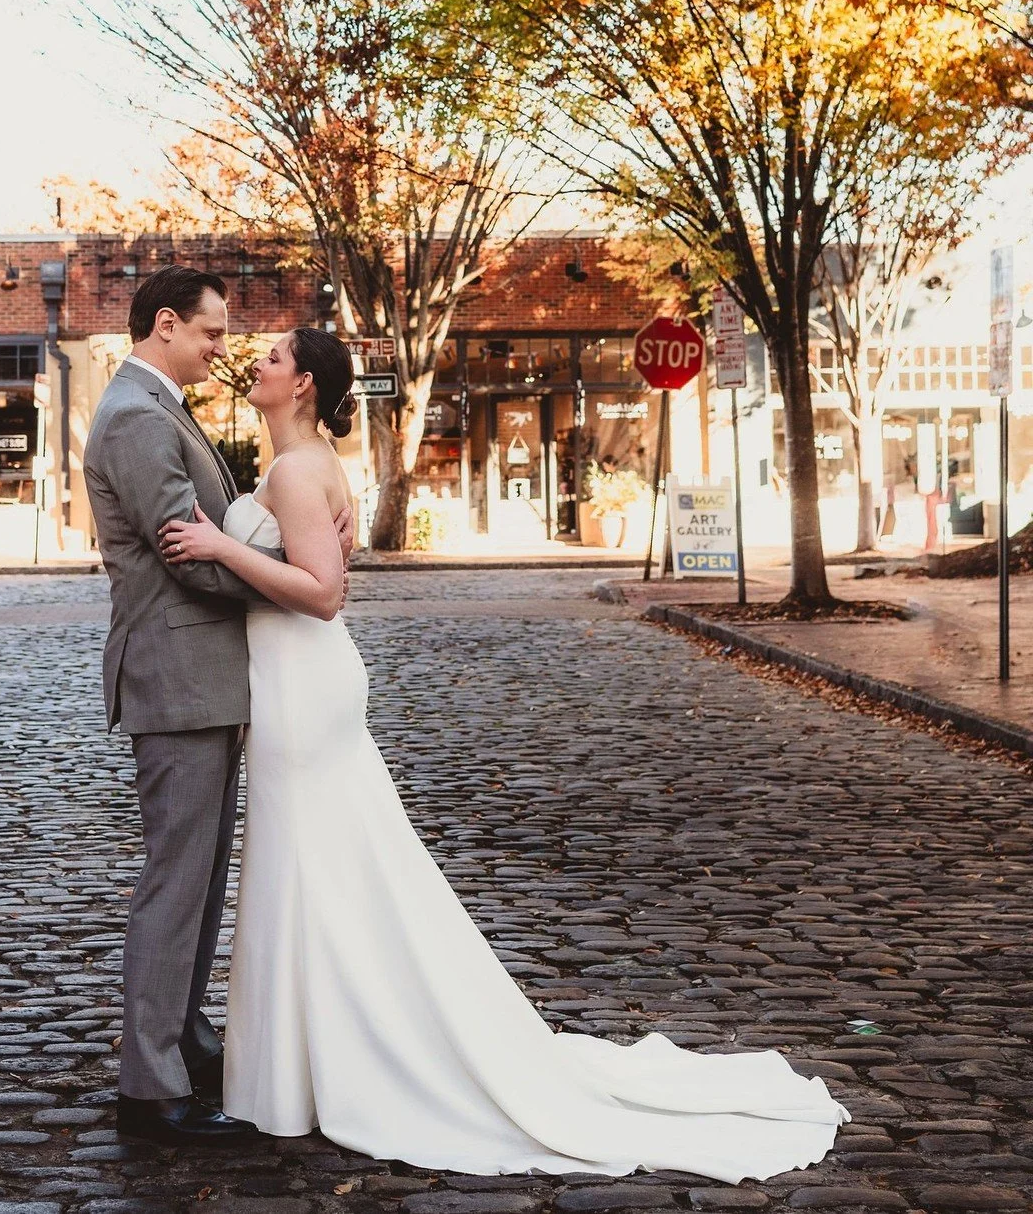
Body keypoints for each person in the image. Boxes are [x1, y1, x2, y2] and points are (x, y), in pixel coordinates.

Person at [158, 327, 850, 1183]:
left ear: (301, 384)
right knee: (320, 866)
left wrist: (222, 546)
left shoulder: (299, 471)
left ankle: (312, 1065)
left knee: (306, 864)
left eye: (271, 358)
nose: (255, 364)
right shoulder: (299, 464)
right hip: (293, 682)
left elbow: (325, 594)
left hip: (303, 686)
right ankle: (302, 1056)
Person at [82, 267, 353, 1146]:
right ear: (166, 324)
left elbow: (217, 534)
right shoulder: (135, 417)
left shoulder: (162, 408)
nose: (222, 350)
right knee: (177, 879)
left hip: (208, 679)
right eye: (211, 333)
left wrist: (301, 555)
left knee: (200, 878)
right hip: (177, 678)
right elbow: (188, 557)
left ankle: (187, 1039)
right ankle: (149, 1086)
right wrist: (301, 579)